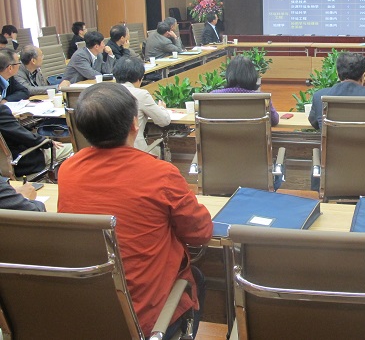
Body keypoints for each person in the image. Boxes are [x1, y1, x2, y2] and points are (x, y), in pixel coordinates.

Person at [57, 83, 213, 339]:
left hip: (91, 312)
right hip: (144, 321)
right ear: (134, 123)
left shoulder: (67, 170)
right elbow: (201, 233)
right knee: (196, 279)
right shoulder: (160, 174)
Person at [309, 52, 365, 130]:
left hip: (334, 138)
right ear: (363, 76)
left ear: (337, 74)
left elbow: (315, 123)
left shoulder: (319, 96)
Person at [113, 56, 171, 151]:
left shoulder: (106, 92)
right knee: (157, 150)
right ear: (140, 78)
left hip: (108, 151)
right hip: (135, 149)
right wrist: (162, 108)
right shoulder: (141, 94)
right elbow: (163, 121)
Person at [0, 100, 72, 176]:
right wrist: (47, 142)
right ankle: (62, 180)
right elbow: (27, 138)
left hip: (4, 166)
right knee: (73, 148)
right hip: (21, 163)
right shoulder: (2, 111)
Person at [211, 55, 279, 126]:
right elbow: (274, 120)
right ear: (252, 75)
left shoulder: (213, 95)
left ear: (228, 74)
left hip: (221, 133)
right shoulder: (262, 98)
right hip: (252, 133)